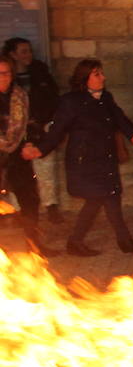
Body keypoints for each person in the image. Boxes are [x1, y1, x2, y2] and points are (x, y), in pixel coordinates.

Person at [22, 59, 133, 256]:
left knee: (108, 198)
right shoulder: (71, 101)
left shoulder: (105, 97)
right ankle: (85, 241)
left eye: (101, 73)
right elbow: (58, 130)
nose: (103, 77)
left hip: (105, 158)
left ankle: (120, 240)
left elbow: (120, 118)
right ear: (85, 78)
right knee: (100, 198)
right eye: (97, 74)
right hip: (85, 162)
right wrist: (40, 149)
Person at [0, 54, 54, 255]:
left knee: (30, 200)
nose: (3, 77)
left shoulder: (20, 96)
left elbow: (31, 123)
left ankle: (33, 244)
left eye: (6, 73)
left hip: (17, 157)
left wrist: (30, 142)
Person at [4, 37, 61, 222]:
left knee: (43, 171)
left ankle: (48, 209)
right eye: (23, 51)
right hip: (9, 143)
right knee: (15, 179)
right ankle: (17, 211)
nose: (28, 55)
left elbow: (51, 97)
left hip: (37, 129)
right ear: (12, 55)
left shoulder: (38, 74)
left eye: (29, 50)